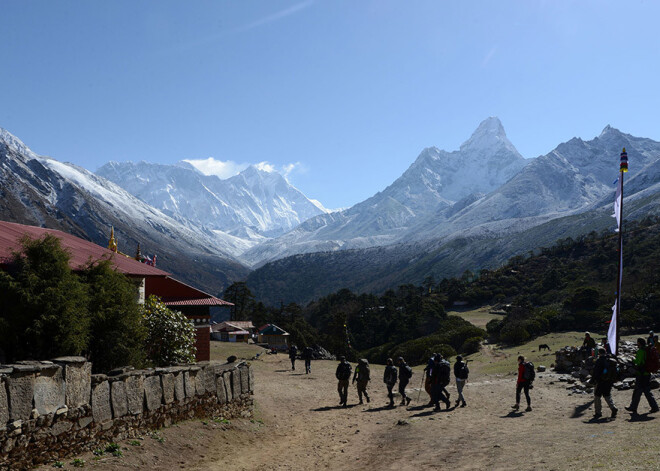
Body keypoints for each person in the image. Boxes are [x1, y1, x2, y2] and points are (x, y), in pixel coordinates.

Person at [625, 338, 659, 415]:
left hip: (641, 374)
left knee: (638, 390)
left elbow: (638, 362)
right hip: (647, 373)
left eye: (637, 343)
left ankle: (633, 407)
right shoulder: (647, 350)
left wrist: (633, 359)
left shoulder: (641, 351)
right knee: (646, 391)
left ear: (639, 343)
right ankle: (654, 406)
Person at [591, 347, 618, 419]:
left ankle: (598, 412)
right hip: (609, 381)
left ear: (599, 353)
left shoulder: (599, 361)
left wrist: (592, 380)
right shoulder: (610, 360)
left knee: (597, 396)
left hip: (600, 381)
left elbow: (596, 372)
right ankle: (613, 408)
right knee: (607, 395)